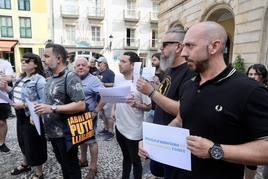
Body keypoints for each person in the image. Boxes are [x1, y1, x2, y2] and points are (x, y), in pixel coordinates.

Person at [139, 21, 268, 179]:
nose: (184, 53)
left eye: (190, 46)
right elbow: (180, 119)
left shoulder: (250, 90)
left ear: (214, 46)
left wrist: (214, 150)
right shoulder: (189, 85)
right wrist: (153, 142)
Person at [137, 28, 195, 178]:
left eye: (165, 44)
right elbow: (166, 95)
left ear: (178, 46)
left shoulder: (189, 72)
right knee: (158, 171)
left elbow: (183, 109)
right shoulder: (169, 69)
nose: (160, 48)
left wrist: (151, 92)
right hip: (161, 137)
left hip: (174, 145)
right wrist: (151, 89)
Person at [34, 43, 86, 179]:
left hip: (66, 134)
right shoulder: (50, 79)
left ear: (58, 59)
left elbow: (81, 105)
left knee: (71, 167)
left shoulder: (70, 77)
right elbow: (48, 104)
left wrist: (52, 108)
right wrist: (38, 110)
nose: (44, 59)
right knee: (63, 165)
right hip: (52, 134)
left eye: (46, 56)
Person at [9, 53, 47, 179]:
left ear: (35, 64)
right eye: (22, 60)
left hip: (32, 116)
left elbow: (44, 100)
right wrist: (6, 89)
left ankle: (39, 173)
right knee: (23, 141)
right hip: (20, 115)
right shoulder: (21, 78)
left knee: (34, 144)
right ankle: (26, 164)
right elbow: (16, 94)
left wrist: (24, 105)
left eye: (27, 61)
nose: (23, 62)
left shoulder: (40, 80)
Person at [115, 51, 151, 179]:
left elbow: (149, 106)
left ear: (132, 65)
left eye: (123, 62)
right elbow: (116, 96)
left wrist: (136, 104)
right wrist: (114, 111)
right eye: (120, 61)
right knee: (125, 157)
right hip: (119, 126)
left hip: (134, 131)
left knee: (136, 162)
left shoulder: (141, 83)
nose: (119, 64)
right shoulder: (117, 78)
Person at [74, 57, 104, 179]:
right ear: (75, 68)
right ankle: (83, 160)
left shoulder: (94, 80)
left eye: (83, 65)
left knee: (91, 141)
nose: (80, 67)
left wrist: (96, 111)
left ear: (88, 67)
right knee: (81, 138)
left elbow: (105, 96)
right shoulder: (73, 78)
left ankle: (93, 168)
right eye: (78, 65)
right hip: (76, 116)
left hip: (88, 116)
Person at [96, 57, 115, 141]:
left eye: (100, 62)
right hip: (101, 98)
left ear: (105, 63)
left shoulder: (110, 73)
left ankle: (111, 132)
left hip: (109, 97)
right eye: (98, 63)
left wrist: (104, 84)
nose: (98, 64)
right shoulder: (98, 72)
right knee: (103, 115)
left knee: (109, 116)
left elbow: (114, 84)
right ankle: (106, 129)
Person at [0, 58, 14, 152]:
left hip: (2, 97)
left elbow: (9, 78)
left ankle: (2, 143)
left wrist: (4, 78)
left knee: (1, 122)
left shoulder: (5, 63)